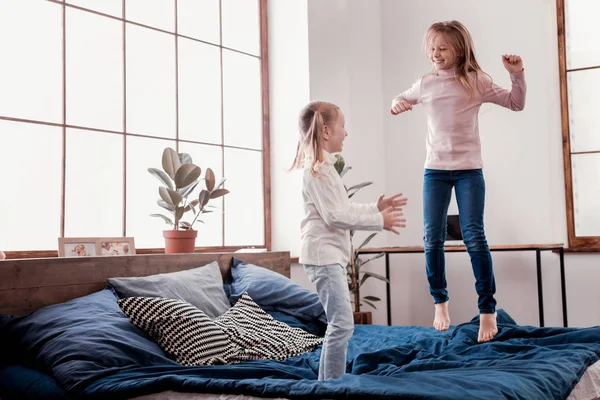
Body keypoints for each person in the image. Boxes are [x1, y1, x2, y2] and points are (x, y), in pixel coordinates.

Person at [390, 20, 526, 343]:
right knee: (431, 238)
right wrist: (398, 103)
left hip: (468, 172)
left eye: (443, 48)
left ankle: (487, 310)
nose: (435, 54)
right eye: (432, 48)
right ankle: (440, 302)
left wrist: (517, 75)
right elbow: (401, 97)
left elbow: (516, 103)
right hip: (434, 172)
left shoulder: (475, 81)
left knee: (474, 237)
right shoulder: (425, 83)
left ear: (459, 49)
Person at [290, 100, 407, 380]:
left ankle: (328, 382)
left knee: (341, 323)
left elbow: (343, 209)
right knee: (342, 323)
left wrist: (374, 209)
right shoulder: (317, 171)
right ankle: (329, 386)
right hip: (323, 257)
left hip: (329, 257)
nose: (347, 132)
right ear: (327, 131)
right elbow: (335, 216)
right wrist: (379, 222)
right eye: (343, 126)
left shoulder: (325, 170)